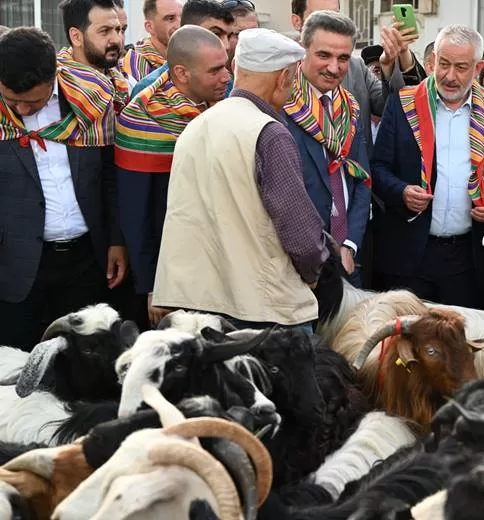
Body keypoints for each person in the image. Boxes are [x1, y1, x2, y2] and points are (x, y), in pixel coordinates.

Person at [153, 28, 328, 332]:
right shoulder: (269, 133)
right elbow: (300, 232)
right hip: (265, 314)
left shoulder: (196, 127)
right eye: (293, 80)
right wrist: (313, 271)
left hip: (198, 309)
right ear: (283, 78)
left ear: (236, 67)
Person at [371, 24, 484, 307]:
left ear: (478, 68)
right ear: (433, 61)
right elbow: (377, 168)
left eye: (461, 67)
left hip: (466, 258)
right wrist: (401, 192)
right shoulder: (403, 105)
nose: (450, 76)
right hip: (408, 254)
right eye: (444, 64)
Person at [0, 28, 126, 349]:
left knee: (83, 360)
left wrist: (116, 240)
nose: (22, 110)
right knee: (16, 363)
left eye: (33, 102)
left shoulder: (90, 100)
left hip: (87, 260)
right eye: (12, 101)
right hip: (15, 266)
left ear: (54, 76)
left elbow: (110, 175)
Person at [115, 25, 231, 327]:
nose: (227, 76)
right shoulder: (142, 118)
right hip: (170, 275)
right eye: (215, 70)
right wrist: (155, 285)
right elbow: (136, 215)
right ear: (182, 73)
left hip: (220, 265)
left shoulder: (225, 107)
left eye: (226, 65)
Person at [281, 11, 371, 288]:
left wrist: (350, 244)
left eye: (343, 58)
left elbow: (362, 178)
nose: (334, 68)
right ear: (302, 50)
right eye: (324, 55)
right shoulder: (281, 105)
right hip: (298, 264)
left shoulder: (350, 106)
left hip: (347, 258)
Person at [290, 0, 426, 155]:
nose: (330, 23)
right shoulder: (282, 75)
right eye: (319, 17)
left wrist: (396, 58)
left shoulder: (356, 67)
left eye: (335, 15)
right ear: (297, 21)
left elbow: (394, 108)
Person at [130, 0, 235, 98]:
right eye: (215, 34)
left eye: (229, 36)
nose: (226, 46)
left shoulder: (227, 83)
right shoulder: (148, 90)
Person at [58, 0, 128, 111]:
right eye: (104, 31)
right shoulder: (55, 90)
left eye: (118, 30)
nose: (116, 40)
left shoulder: (125, 85)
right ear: (76, 37)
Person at [121, 0, 182, 89]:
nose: (180, 25)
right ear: (150, 27)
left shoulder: (190, 56)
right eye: (170, 18)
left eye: (182, 17)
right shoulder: (135, 62)